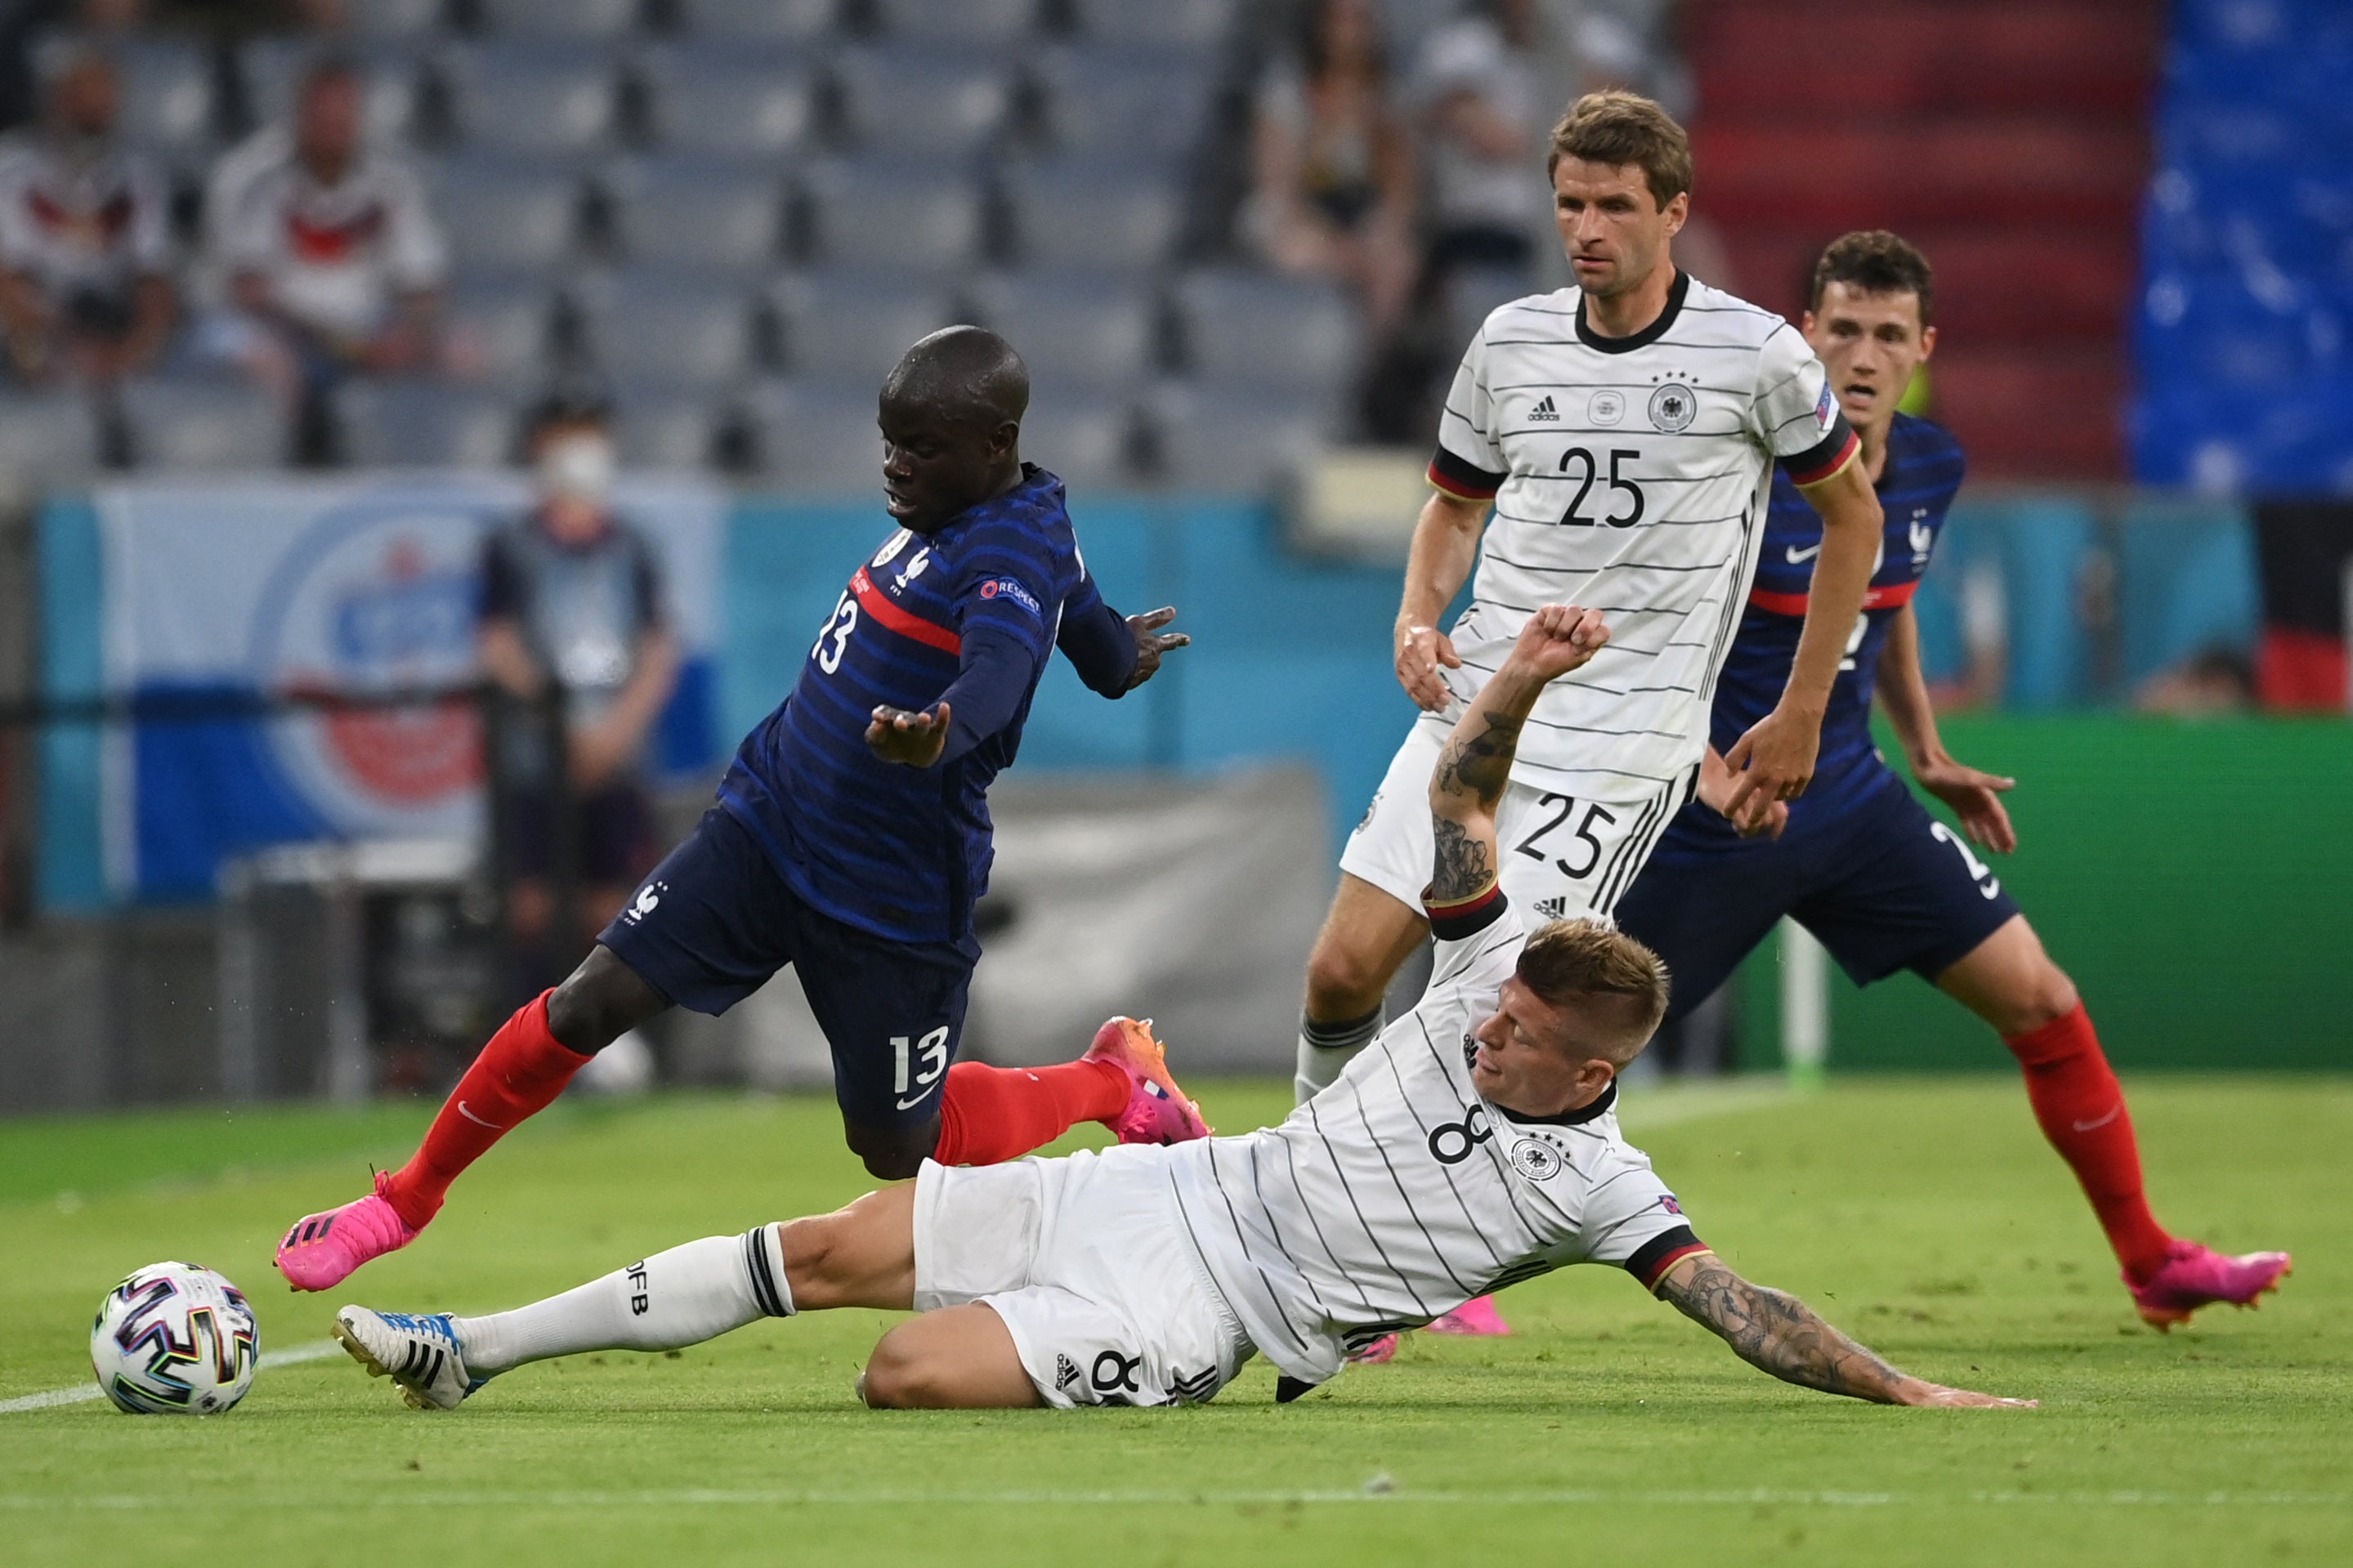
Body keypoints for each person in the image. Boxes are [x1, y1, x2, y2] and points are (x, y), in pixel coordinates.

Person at [328, 605, 2033, 1417]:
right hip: (1163, 1190)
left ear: (1584, 1066)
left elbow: (1743, 1307)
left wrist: (1916, 1393)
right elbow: (1466, 808)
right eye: (1490, 993)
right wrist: (1510, 682)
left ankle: (1111, 1209)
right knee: (829, 1240)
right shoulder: (1476, 980)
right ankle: (467, 1349)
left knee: (895, 1373)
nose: (1476, 1017)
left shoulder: (1597, 1188)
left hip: (1208, 1308)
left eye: (1514, 1027)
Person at [275, 327, 1202, 1293]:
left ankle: (1110, 1079)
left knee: (896, 1143)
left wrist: (943, 727)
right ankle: (402, 1200)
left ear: (993, 441)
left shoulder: (1007, 551)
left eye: (920, 447)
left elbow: (1001, 663)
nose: (895, 462)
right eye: (890, 438)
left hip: (892, 888)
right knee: (587, 1000)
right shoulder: (1017, 511)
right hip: (769, 822)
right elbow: (1090, 642)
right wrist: (1114, 653)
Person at [1611, 231, 2292, 1330]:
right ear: (1800, 337)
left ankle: (2149, 1258)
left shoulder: (1926, 463)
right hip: (1715, 821)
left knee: (2040, 996)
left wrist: (1922, 746)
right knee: (1565, 1059)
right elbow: (1643, 645)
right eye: (1841, 330)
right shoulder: (1732, 476)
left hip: (1848, 798)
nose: (1863, 356)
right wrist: (1698, 776)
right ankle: (1398, 1279)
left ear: (1922, 347)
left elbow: (1888, 599)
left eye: (1888, 335)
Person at [1291, 90, 1885, 1342]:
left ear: (1673, 211)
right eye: (1569, 202)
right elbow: (1452, 506)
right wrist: (1415, 614)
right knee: (1342, 969)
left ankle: (1416, 1269)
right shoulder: (1506, 341)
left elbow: (1853, 521)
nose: (1586, 226)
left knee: (1492, 1010)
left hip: (1621, 744)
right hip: (1479, 710)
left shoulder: (1756, 355)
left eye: (1615, 204)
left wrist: (1796, 713)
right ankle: (1300, 1200)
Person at [478, 389, 678, 1003]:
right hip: (535, 756)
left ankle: (608, 1031)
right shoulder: (511, 545)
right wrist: (560, 724)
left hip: (616, 758)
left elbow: (656, 647)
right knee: (531, 897)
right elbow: (498, 644)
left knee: (618, 895)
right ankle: (530, 1025)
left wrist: (613, 733)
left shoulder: (633, 545)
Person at [205, 55, 445, 457]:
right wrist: (342, 344)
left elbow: (423, 284)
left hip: (365, 325)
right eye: (323, 115)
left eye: (345, 114)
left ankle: (414, 481)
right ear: (300, 114)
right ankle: (278, 479)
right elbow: (251, 294)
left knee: (461, 354)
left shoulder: (392, 181)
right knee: (264, 359)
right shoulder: (255, 178)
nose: (335, 127)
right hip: (281, 328)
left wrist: (410, 337)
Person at [0, 39, 173, 384]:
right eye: (79, 94)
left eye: (103, 96)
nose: (92, 107)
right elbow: (7, 278)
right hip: (34, 325)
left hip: (112, 320)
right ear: (53, 97)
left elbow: (152, 274)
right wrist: (65, 337)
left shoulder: (139, 174)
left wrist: (138, 343)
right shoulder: (11, 168)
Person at [1242, 0, 1419, 334]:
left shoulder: (1389, 96)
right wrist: (1340, 249)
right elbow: (1277, 187)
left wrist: (1381, 232)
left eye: (1361, 21)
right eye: (1342, 20)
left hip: (1359, 214)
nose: (1351, 33)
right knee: (1298, 252)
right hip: (1299, 215)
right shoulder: (1288, 93)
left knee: (1395, 262)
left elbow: (1399, 188)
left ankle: (1370, 362)